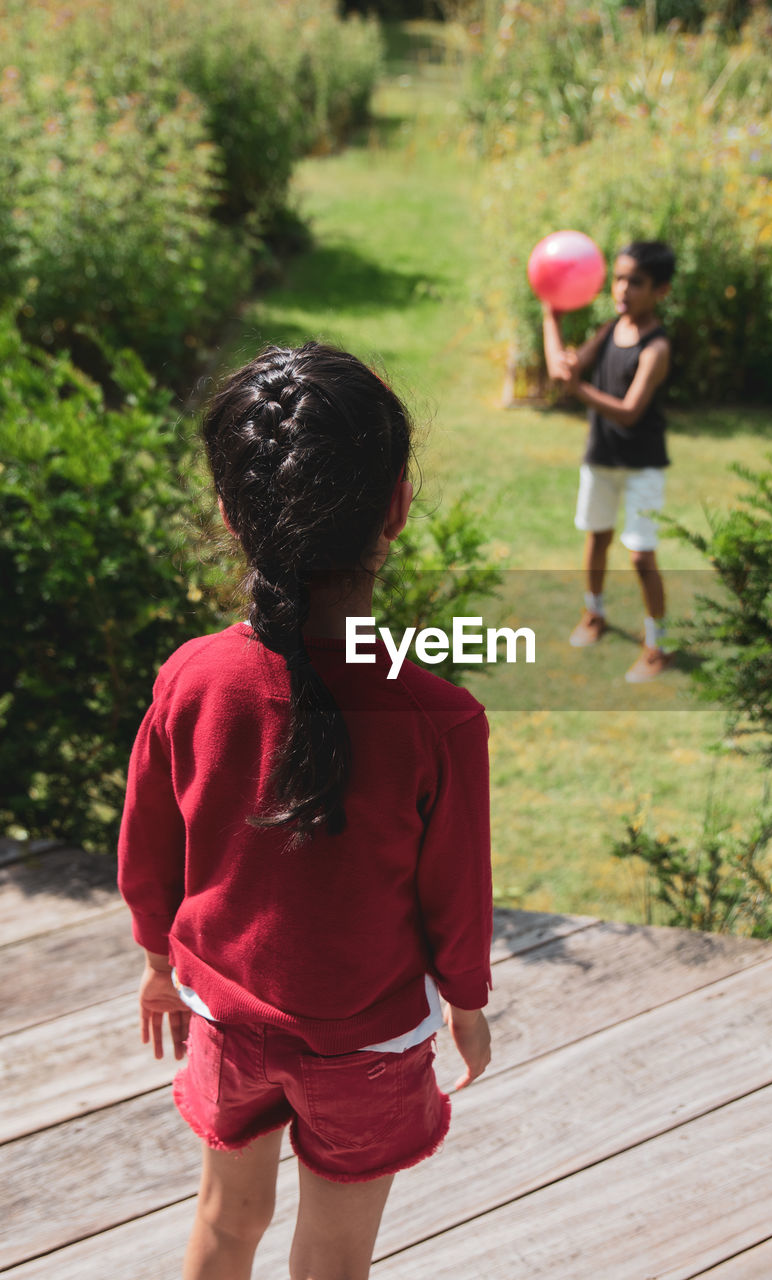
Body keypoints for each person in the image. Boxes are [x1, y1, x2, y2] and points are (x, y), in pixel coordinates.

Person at [117, 342, 492, 1280]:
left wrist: (161, 963)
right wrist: (467, 1003)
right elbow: (456, 894)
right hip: (366, 1044)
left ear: (228, 515)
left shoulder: (190, 681)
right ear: (397, 507)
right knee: (333, 1260)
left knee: (222, 1222)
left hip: (225, 1022)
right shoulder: (435, 718)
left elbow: (148, 849)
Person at [542, 240, 676, 682]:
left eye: (634, 282)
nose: (621, 289)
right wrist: (550, 318)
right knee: (596, 538)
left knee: (640, 556)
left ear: (661, 290)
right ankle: (593, 614)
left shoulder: (657, 347)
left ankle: (656, 645)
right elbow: (565, 368)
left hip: (642, 465)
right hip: (600, 457)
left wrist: (577, 389)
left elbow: (630, 410)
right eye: (618, 278)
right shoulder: (608, 329)